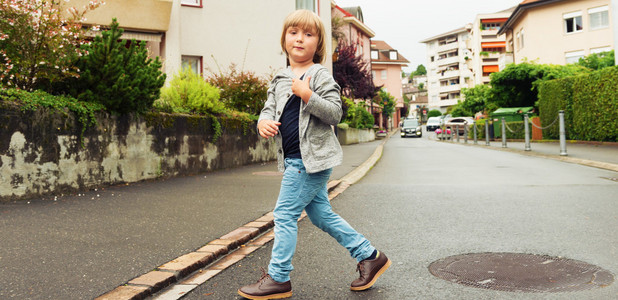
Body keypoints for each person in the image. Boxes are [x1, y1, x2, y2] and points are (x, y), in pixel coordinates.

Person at [237, 10, 390, 300]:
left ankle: (279, 278)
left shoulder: (320, 74)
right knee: (321, 216)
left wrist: (308, 95)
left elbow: (335, 113)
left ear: (317, 44)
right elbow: (269, 108)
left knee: (283, 215)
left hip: (312, 161)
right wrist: (262, 122)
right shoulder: (280, 77)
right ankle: (370, 256)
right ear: (284, 39)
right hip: (294, 159)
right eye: (294, 32)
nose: (300, 39)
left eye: (308, 34)